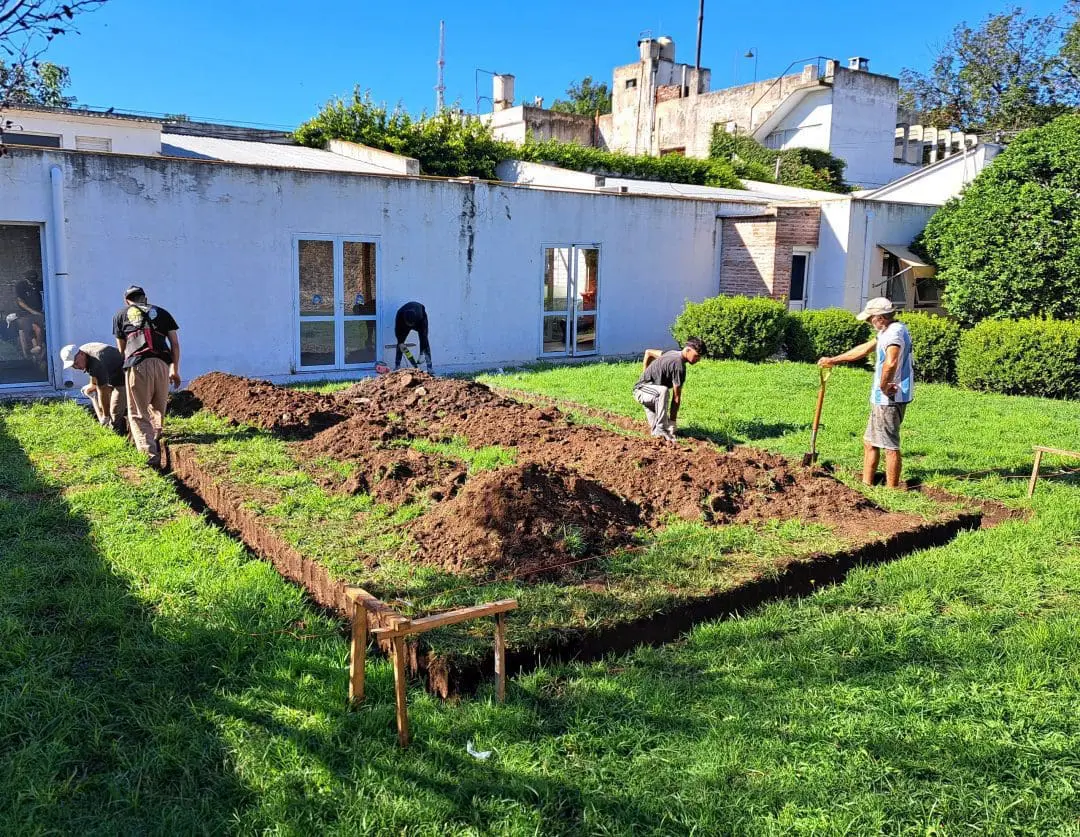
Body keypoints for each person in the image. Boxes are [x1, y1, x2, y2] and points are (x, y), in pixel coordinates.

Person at [818, 297, 914, 488]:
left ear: (880, 317)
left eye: (870, 318)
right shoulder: (888, 331)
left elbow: (891, 362)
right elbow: (863, 350)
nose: (869, 322)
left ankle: (892, 491)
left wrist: (884, 386)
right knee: (870, 442)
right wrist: (833, 360)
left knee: (889, 445)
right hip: (882, 398)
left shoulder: (893, 335)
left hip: (889, 399)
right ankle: (866, 485)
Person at [112, 285, 180, 468]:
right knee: (158, 407)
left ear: (127, 301)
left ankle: (150, 457)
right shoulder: (163, 313)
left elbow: (122, 348)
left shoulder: (121, 315)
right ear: (145, 298)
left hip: (138, 364)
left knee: (137, 412)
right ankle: (156, 437)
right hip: (162, 365)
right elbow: (174, 343)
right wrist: (175, 369)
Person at [632, 337, 705, 442]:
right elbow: (676, 397)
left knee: (657, 433)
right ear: (688, 350)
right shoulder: (678, 366)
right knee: (663, 391)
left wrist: (645, 373)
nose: (698, 360)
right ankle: (662, 429)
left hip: (652, 395)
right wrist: (673, 423)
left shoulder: (671, 352)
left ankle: (660, 434)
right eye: (697, 356)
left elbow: (649, 352)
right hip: (642, 390)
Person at [61, 342, 128, 434]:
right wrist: (92, 384)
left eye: (76, 363)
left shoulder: (97, 361)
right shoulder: (84, 350)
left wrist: (105, 416)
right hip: (113, 376)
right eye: (73, 366)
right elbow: (92, 371)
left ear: (81, 354)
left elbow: (103, 390)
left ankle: (117, 435)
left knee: (114, 416)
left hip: (125, 378)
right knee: (103, 405)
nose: (76, 367)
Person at [14, 274, 46, 362]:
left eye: (33, 281)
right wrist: (33, 312)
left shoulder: (40, 285)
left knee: (38, 329)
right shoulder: (21, 287)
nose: (32, 283)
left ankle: (38, 348)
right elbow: (20, 302)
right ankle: (29, 352)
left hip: (38, 314)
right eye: (29, 281)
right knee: (29, 329)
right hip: (27, 315)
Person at [394, 301, 432, 372]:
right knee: (400, 344)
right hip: (404, 323)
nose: (410, 326)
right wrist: (400, 343)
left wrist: (421, 354)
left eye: (411, 324)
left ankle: (429, 367)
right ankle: (397, 365)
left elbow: (423, 336)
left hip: (419, 322)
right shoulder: (400, 315)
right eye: (409, 324)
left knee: (424, 339)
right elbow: (398, 331)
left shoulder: (420, 315)